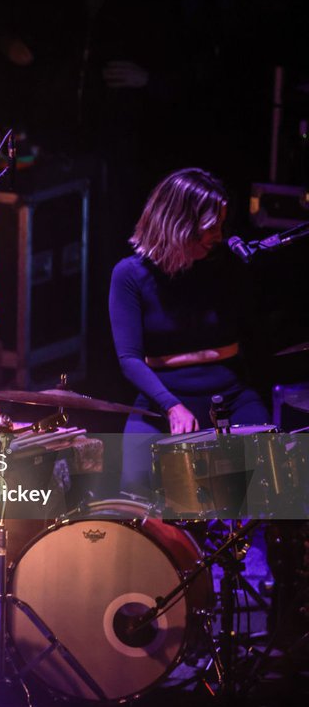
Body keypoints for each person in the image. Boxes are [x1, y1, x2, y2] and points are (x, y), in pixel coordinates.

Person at [109, 167, 268, 496]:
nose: (220, 236)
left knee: (264, 486)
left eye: (222, 225)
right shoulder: (129, 275)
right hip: (160, 401)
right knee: (135, 487)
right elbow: (129, 358)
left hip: (232, 399)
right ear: (179, 223)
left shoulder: (227, 265)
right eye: (212, 227)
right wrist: (171, 405)